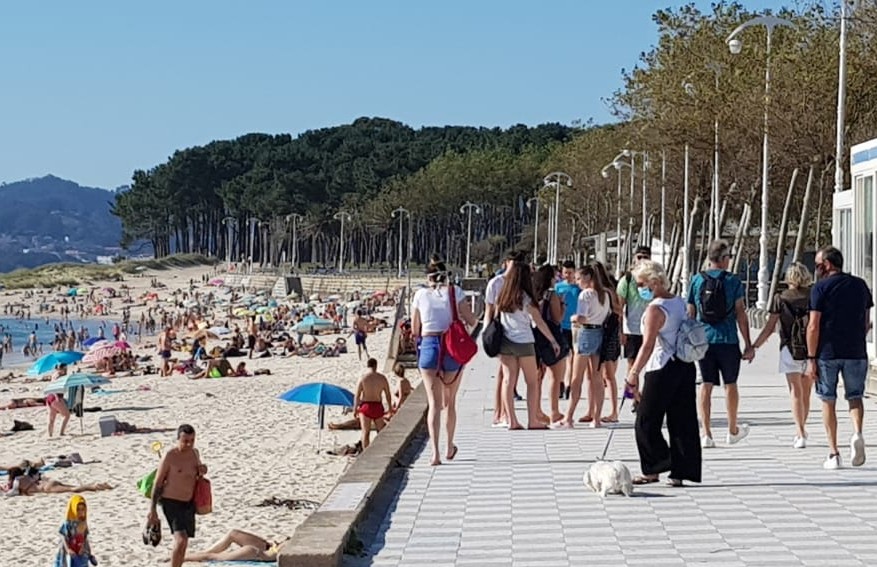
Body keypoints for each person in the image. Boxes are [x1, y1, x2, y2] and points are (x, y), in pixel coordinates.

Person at [625, 261, 701, 487]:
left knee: (646, 420)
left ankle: (654, 466)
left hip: (662, 367)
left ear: (653, 282)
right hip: (684, 364)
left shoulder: (655, 309)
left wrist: (633, 372)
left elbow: (647, 345)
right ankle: (681, 470)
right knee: (682, 420)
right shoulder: (678, 302)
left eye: (641, 284)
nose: (639, 289)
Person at [804, 246, 873, 469]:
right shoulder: (860, 285)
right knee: (855, 395)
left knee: (828, 399)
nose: (817, 269)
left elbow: (813, 325)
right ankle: (857, 433)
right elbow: (865, 321)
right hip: (856, 350)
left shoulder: (820, 288)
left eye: (818, 265)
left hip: (827, 351)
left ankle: (834, 453)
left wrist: (811, 358)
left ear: (827, 265)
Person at [687, 239, 753, 448]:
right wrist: (748, 343)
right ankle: (732, 429)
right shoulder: (733, 281)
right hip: (727, 339)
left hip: (703, 340)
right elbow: (741, 313)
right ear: (723, 259)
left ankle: (706, 434)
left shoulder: (697, 280)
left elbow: (690, 313)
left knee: (706, 384)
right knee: (730, 384)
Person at [411, 257, 477, 465]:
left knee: (434, 404)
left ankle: (435, 454)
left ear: (427, 277)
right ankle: (449, 446)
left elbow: (415, 329)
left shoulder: (420, 294)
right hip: (451, 346)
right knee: (450, 402)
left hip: (429, 344)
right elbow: (472, 320)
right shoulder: (454, 292)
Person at [752, 262, 814, 448]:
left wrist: (754, 346)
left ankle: (800, 432)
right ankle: (802, 428)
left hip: (789, 348)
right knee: (806, 393)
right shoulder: (813, 296)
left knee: (795, 391)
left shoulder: (781, 298)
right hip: (811, 350)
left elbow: (770, 327)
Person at [495, 261, 560, 430]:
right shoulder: (525, 298)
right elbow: (538, 321)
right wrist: (553, 340)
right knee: (532, 382)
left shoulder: (503, 295)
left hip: (506, 342)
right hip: (524, 341)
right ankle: (533, 420)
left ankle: (511, 420)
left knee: (508, 381)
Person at [553, 265, 611, 429]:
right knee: (597, 377)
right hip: (600, 332)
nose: (577, 282)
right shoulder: (605, 294)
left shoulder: (586, 295)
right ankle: (597, 418)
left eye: (579, 278)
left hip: (585, 333)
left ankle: (569, 417)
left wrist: (572, 318)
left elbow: (582, 317)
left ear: (587, 278)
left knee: (576, 378)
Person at [147, 424, 208, 567]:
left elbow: (198, 472)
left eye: (192, 440)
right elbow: (157, 483)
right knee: (180, 539)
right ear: (178, 439)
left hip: (188, 503)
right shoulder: (170, 456)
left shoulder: (195, 453)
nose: (189, 444)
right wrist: (152, 510)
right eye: (185, 441)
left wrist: (203, 469)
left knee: (184, 542)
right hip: (171, 502)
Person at [484, 251, 524, 427]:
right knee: (504, 373)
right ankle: (499, 412)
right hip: (500, 329)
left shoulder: (520, 282)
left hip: (516, 330)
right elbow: (489, 309)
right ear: (506, 263)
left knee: (507, 374)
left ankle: (501, 412)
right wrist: (487, 332)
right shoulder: (496, 283)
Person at [617, 246, 653, 408]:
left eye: (645, 257)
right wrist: (620, 331)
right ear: (634, 258)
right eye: (639, 257)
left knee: (651, 365)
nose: (642, 260)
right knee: (633, 364)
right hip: (631, 328)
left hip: (651, 329)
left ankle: (646, 396)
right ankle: (634, 397)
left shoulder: (654, 279)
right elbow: (619, 307)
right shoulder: (627, 279)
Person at [533, 263, 567, 424]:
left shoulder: (535, 294)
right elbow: (557, 318)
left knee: (537, 376)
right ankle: (554, 410)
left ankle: (537, 410)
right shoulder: (551, 295)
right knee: (555, 375)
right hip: (552, 334)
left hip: (536, 336)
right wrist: (562, 305)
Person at [593, 261, 623, 423]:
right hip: (608, 333)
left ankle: (613, 411)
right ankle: (607, 410)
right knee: (604, 375)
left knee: (608, 374)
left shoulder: (607, 292)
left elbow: (618, 311)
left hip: (608, 333)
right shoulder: (608, 290)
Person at [171, 529, 289, 563]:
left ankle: (179, 558)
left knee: (212, 557)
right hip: (268, 546)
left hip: (260, 554)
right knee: (233, 533)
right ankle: (205, 552)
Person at [554, 260, 581, 400]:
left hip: (576, 326)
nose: (568, 275)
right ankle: (560, 383)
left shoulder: (579, 288)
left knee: (573, 356)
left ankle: (569, 385)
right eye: (565, 273)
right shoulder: (558, 288)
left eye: (570, 273)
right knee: (562, 358)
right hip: (562, 325)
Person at [354, 358, 392, 449]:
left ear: (368, 366)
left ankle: (365, 453)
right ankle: (381, 449)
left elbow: (357, 395)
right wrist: (390, 408)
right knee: (380, 432)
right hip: (377, 406)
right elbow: (388, 394)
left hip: (366, 406)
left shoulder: (363, 378)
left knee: (365, 433)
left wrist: (355, 409)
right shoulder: (382, 378)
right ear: (376, 366)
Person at [54, 495, 97, 567]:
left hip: (80, 550)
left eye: (82, 509)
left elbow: (85, 537)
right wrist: (68, 549)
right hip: (69, 551)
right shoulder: (68, 523)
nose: (80, 512)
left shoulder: (83, 522)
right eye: (78, 509)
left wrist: (84, 548)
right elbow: (63, 537)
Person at [47, 364, 70, 437]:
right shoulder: (58, 376)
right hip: (56, 397)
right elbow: (54, 387)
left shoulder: (55, 375)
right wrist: (57, 397)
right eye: (65, 369)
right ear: (60, 369)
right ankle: (61, 433)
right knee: (67, 415)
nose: (66, 371)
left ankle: (50, 435)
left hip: (49, 397)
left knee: (52, 419)